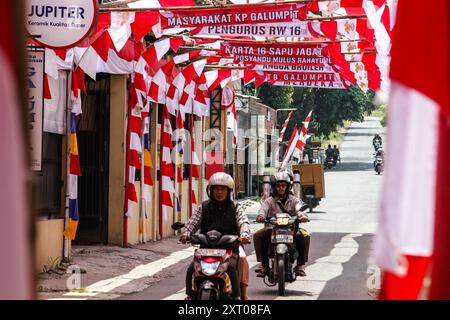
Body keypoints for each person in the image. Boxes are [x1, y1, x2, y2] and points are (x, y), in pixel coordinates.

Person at [179, 172, 251, 300]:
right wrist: (186, 234)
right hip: (206, 248)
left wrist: (244, 235)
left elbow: (243, 222)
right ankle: (190, 295)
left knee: (237, 264)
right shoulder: (204, 207)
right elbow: (193, 222)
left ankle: (239, 295)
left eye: (223, 189)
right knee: (191, 268)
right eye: (216, 189)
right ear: (210, 190)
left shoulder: (235, 207)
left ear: (229, 191)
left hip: (229, 247)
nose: (219, 192)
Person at [253, 171, 310, 277]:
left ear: (288, 187)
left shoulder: (294, 200)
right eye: (278, 186)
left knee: (304, 236)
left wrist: (302, 216)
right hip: (272, 228)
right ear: (274, 187)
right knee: (259, 235)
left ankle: (300, 265)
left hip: (291, 229)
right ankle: (264, 265)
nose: (281, 188)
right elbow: (263, 209)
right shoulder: (269, 201)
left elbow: (299, 208)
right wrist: (261, 216)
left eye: (283, 185)